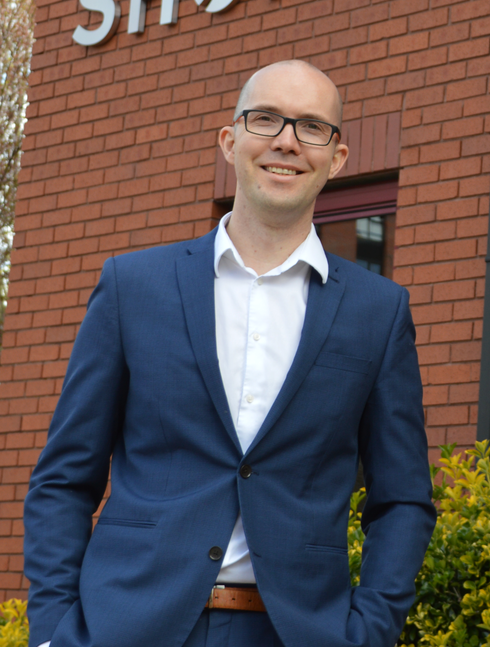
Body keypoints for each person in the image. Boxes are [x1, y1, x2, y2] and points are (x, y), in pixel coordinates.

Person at [23, 60, 436, 647]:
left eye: (312, 127)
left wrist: (368, 630)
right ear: (229, 140)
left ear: (338, 157)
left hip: (295, 633)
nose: (287, 142)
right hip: (126, 627)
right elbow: (64, 478)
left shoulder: (379, 310)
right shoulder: (132, 287)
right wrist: (53, 630)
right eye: (266, 119)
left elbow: (402, 500)